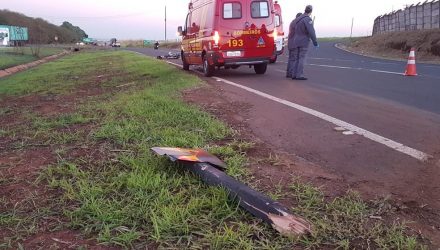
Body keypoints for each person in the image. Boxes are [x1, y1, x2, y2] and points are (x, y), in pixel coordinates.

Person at [287, 5, 318, 80]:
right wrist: (315, 41)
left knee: (296, 58)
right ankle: (299, 75)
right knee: (301, 58)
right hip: (303, 41)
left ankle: (293, 74)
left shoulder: (297, 20)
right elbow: (311, 31)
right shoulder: (307, 19)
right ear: (311, 11)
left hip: (295, 41)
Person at [286, 12, 303, 78]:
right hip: (294, 43)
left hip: (290, 42)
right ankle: (292, 74)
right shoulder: (297, 23)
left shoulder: (292, 22)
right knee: (294, 59)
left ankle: (289, 73)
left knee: (291, 59)